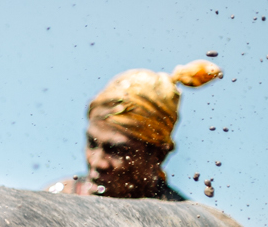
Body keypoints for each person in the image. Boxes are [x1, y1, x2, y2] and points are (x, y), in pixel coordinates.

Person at [47, 59, 222, 200]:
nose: (97, 163)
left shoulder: (185, 225)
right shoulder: (56, 198)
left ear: (159, 155)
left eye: (117, 151)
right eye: (92, 144)